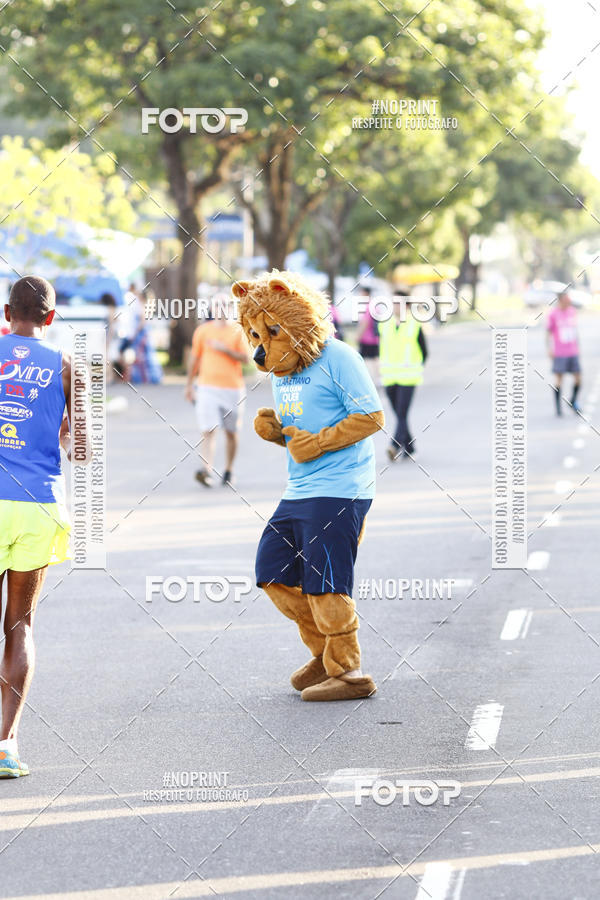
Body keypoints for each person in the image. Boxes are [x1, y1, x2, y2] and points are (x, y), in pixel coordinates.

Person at [0, 276, 90, 778]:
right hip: (38, 502)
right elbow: (82, 448)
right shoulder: (65, 365)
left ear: (6, 310)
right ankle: (6, 745)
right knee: (19, 626)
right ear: (51, 319)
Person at [185, 296, 249, 487]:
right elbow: (194, 358)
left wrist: (225, 350)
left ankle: (228, 469)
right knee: (208, 429)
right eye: (217, 305)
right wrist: (189, 384)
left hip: (232, 389)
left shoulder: (237, 331)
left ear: (231, 308)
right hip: (206, 387)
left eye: (225, 305)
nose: (221, 309)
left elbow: (247, 358)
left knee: (231, 432)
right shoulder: (203, 331)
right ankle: (206, 470)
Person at [379, 291, 428, 460]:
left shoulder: (415, 323)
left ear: (407, 306)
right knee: (399, 414)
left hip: (408, 377)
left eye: (398, 303)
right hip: (389, 376)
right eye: (393, 303)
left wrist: (415, 367)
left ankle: (394, 445)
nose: (395, 307)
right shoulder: (384, 323)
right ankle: (409, 446)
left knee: (401, 411)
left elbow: (424, 350)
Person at [547, 291, 582, 415]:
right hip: (560, 352)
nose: (569, 302)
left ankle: (572, 401)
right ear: (561, 300)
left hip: (572, 351)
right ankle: (558, 408)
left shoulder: (572, 311)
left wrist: (578, 346)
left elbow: (574, 330)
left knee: (578, 378)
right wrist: (549, 349)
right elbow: (548, 333)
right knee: (558, 380)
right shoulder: (553, 314)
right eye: (567, 300)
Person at [356, 286, 380, 385]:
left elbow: (365, 323)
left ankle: (367, 380)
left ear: (366, 294)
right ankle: (378, 379)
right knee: (375, 359)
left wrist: (358, 336)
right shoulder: (375, 306)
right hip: (375, 338)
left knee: (364, 360)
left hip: (367, 339)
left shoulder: (368, 306)